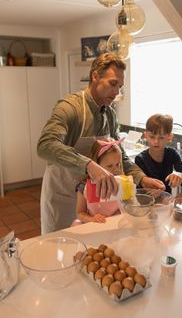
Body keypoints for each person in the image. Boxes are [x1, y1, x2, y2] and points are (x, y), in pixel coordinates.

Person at [37, 53, 165, 234]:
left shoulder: (110, 114)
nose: (116, 92)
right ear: (95, 76)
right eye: (113, 84)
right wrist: (89, 165)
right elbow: (45, 146)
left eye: (120, 87)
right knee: (57, 251)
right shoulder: (69, 108)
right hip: (63, 197)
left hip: (95, 203)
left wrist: (141, 178)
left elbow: (120, 155)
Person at [73, 138, 126, 224]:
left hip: (116, 224)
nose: (116, 169)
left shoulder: (121, 184)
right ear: (96, 165)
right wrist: (91, 218)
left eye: (118, 164)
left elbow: (128, 205)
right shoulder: (84, 186)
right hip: (94, 225)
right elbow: (80, 213)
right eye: (109, 166)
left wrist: (120, 211)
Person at [135, 114, 182, 194]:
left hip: (166, 202)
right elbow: (140, 186)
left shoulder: (172, 154)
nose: (156, 142)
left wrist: (181, 176)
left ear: (169, 137)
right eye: (152, 137)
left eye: (161, 138)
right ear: (146, 136)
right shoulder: (140, 159)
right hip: (146, 202)